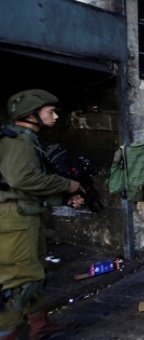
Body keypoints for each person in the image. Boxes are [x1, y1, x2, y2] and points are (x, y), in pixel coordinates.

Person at [0, 89, 85, 340]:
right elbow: (23, 179)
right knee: (18, 280)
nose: (56, 116)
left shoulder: (25, 138)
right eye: (50, 112)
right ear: (30, 115)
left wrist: (64, 197)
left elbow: (22, 186)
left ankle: (40, 324)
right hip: (15, 221)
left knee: (35, 271)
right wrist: (65, 185)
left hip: (25, 215)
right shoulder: (19, 141)